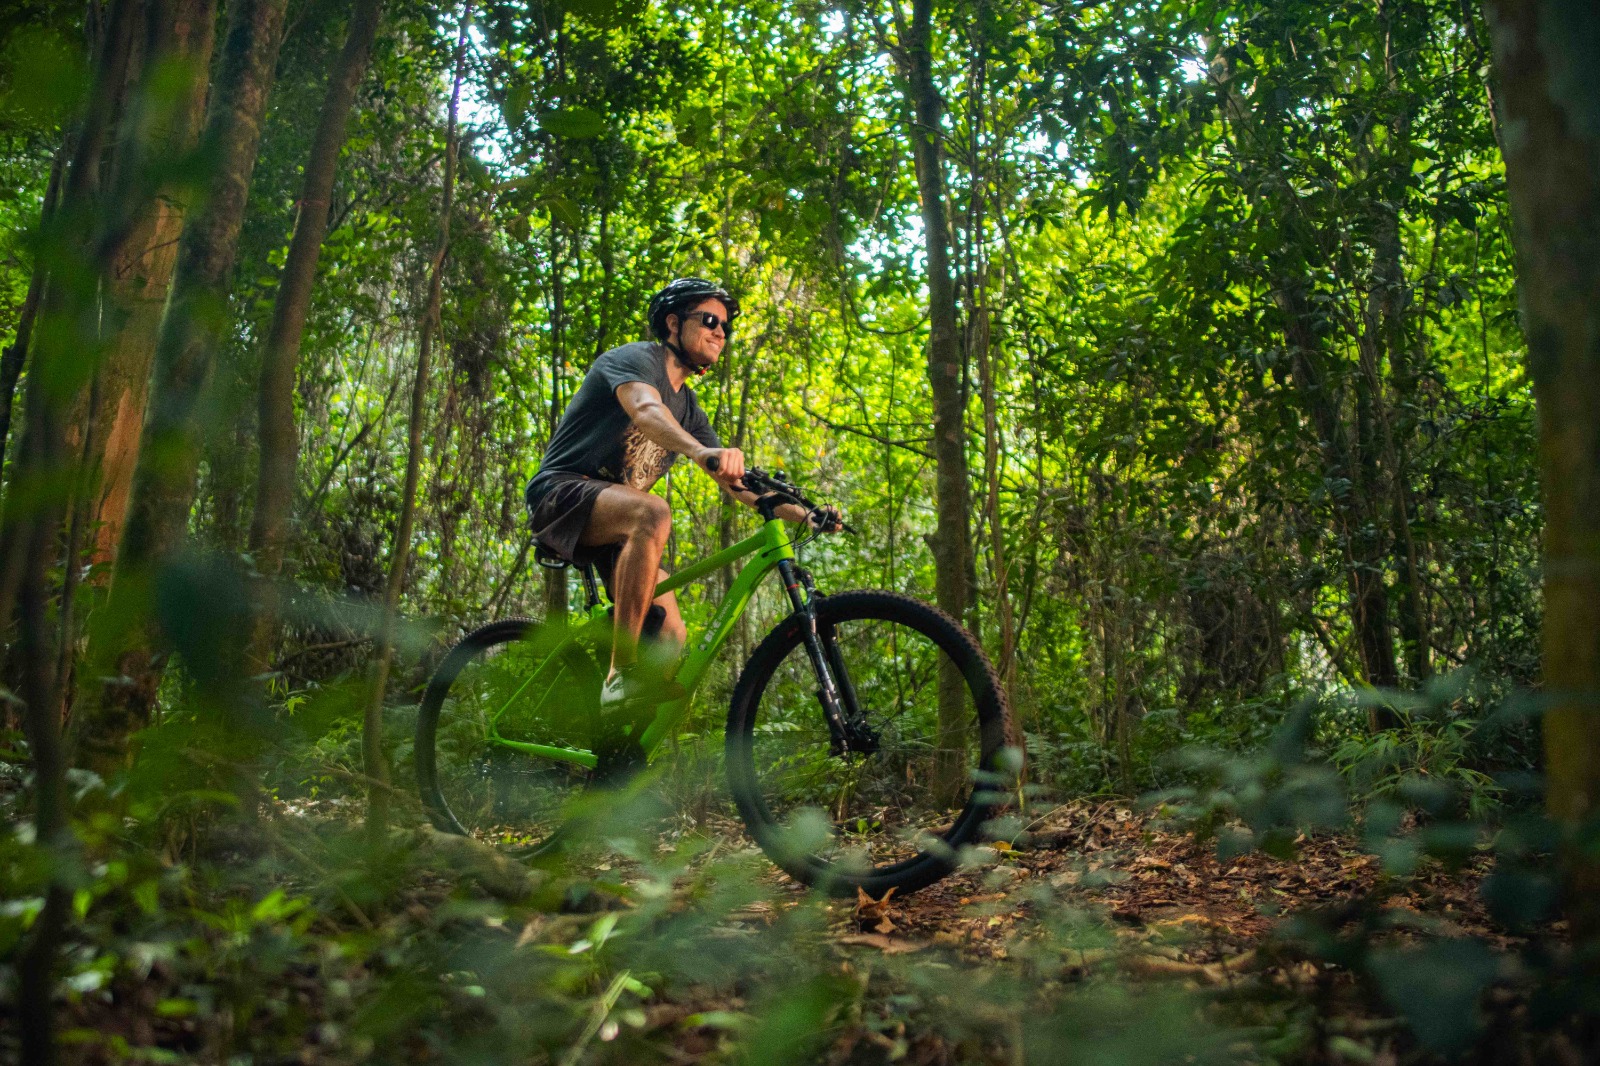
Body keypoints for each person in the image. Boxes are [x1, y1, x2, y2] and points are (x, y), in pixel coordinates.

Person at [525, 278, 841, 758]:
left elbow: (740, 488)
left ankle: (617, 753)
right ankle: (619, 674)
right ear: (674, 323)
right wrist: (700, 452)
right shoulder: (635, 361)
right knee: (652, 511)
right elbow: (646, 410)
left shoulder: (689, 408)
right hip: (562, 494)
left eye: (726, 327)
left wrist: (809, 516)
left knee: (672, 633)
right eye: (709, 321)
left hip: (615, 523)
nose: (720, 332)